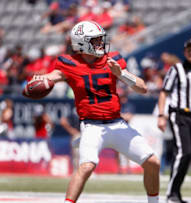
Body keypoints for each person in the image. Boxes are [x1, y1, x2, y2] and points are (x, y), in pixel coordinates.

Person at [27, 21, 160, 203]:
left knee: (153, 162)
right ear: (81, 43)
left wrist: (121, 74)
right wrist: (36, 82)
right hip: (92, 126)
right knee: (86, 167)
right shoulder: (69, 63)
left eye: (100, 40)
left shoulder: (112, 59)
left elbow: (143, 88)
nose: (100, 44)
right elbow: (50, 77)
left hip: (117, 124)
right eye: (95, 40)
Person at [157, 38, 191, 203]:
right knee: (183, 152)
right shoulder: (176, 69)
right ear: (185, 52)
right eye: (189, 50)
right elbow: (164, 93)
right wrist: (161, 115)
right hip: (178, 115)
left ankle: (176, 194)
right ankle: (171, 194)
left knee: (184, 156)